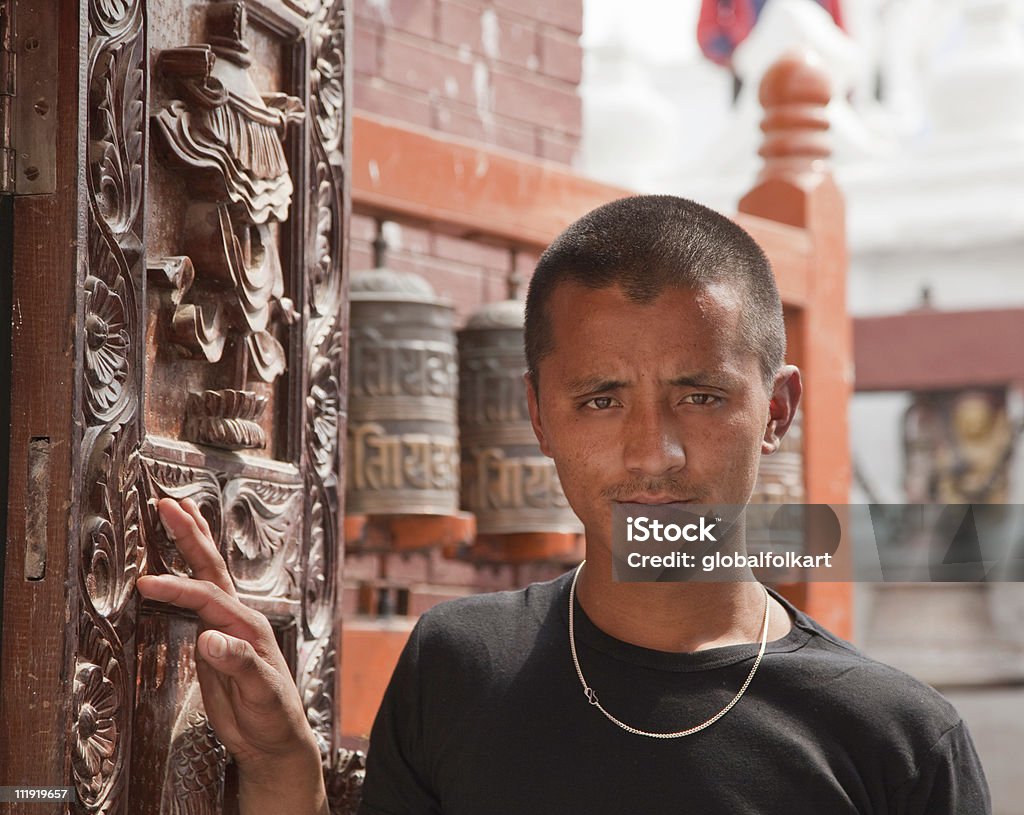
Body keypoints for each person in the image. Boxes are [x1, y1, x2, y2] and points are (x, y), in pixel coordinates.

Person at [140, 195, 991, 814]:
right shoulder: (459, 666)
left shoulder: (901, 743)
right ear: (539, 415)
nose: (652, 451)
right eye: (601, 399)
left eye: (699, 396)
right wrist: (285, 772)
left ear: (776, 410)